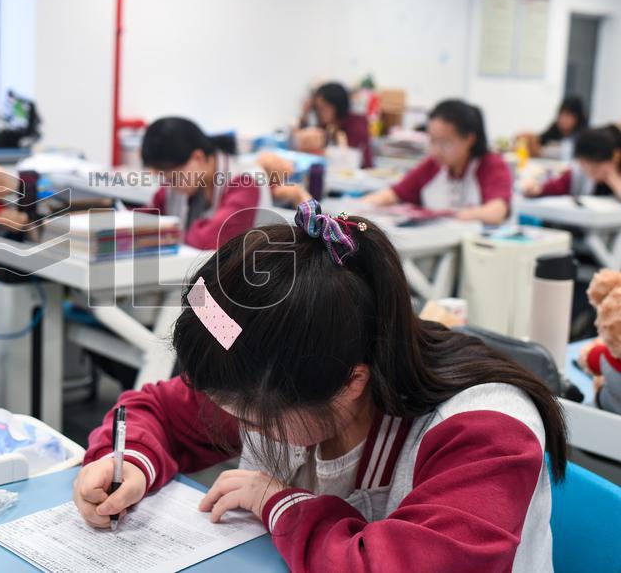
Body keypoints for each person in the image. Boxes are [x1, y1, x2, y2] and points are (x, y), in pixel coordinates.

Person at [73, 200, 565, 572]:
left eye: (250, 417)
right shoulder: (275, 370)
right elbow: (155, 411)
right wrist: (128, 462)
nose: (241, 424)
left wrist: (278, 502)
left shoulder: (485, 430)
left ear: (352, 384)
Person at [361, 99, 511, 224]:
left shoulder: (490, 165)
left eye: (445, 143)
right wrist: (356, 209)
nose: (436, 150)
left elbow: (496, 212)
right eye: (432, 141)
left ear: (469, 140)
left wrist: (447, 215)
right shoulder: (433, 165)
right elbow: (392, 194)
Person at [141, 117, 261, 251]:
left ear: (198, 158)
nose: (168, 186)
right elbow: (145, 222)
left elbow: (208, 241)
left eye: (172, 179)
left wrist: (169, 234)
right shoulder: (185, 179)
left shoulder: (245, 184)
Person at [524, 126, 621, 200]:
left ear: (614, 159)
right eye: (585, 166)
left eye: (596, 168)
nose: (592, 176)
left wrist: (613, 179)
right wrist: (538, 190)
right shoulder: (578, 172)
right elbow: (558, 186)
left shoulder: (614, 172)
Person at [297, 82, 373, 168]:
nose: (320, 113)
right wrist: (305, 114)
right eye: (317, 108)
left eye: (324, 108)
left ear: (338, 106)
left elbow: (352, 158)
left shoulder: (356, 124)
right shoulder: (326, 125)